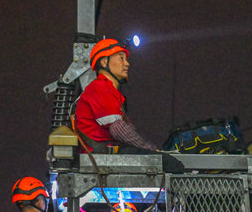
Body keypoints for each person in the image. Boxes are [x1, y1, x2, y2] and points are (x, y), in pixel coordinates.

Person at [73, 38, 183, 172]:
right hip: (102, 156)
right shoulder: (100, 88)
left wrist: (153, 152)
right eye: (121, 58)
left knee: (164, 160)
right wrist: (150, 149)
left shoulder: (107, 91)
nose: (127, 64)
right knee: (173, 165)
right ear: (104, 62)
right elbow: (118, 129)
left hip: (105, 154)